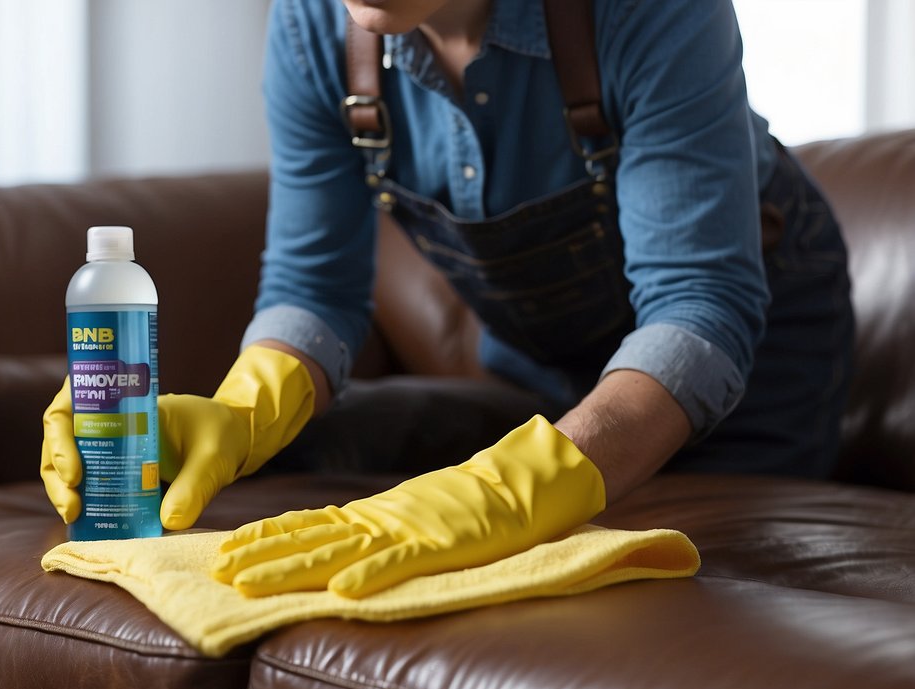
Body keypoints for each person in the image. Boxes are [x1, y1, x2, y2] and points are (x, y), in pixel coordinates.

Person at [42, 0, 852, 599]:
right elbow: (313, 288)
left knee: (661, 590)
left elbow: (697, 303)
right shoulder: (314, 26)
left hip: (748, 382)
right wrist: (242, 413)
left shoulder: (651, 10)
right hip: (544, 373)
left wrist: (508, 492)